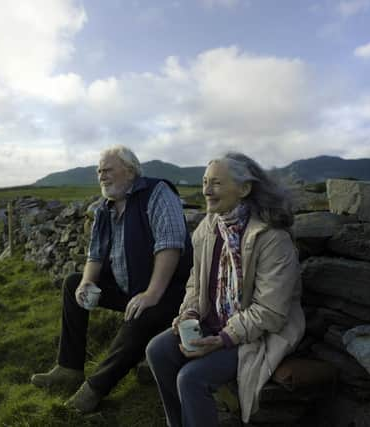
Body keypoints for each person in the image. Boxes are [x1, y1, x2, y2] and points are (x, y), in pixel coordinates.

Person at [145, 152, 304, 427]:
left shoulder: (272, 239)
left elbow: (270, 312)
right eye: (205, 182)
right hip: (214, 323)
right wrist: (190, 311)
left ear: (244, 188)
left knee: (191, 378)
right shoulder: (208, 228)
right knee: (157, 351)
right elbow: (196, 281)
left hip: (256, 335)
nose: (206, 190)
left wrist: (223, 339)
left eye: (216, 183)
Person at [31, 145, 193, 413]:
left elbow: (170, 245)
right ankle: (69, 368)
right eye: (98, 172)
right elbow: (95, 255)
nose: (101, 176)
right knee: (73, 283)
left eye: (107, 170)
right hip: (131, 288)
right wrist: (86, 283)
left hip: (170, 292)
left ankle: (95, 388)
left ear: (130, 171)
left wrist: (151, 294)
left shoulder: (156, 193)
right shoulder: (104, 209)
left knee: (141, 313)